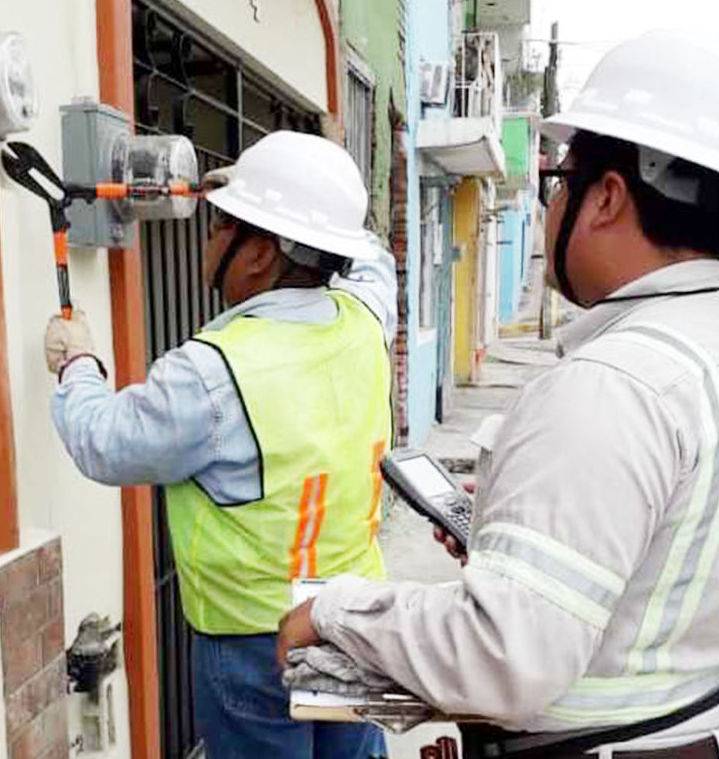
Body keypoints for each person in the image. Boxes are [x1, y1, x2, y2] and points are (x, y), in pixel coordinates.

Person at [277, 31, 719, 758]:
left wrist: (338, 610)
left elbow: (503, 657)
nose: (551, 206)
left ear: (605, 197)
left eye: (559, 180)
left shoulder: (610, 385)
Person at [45, 130, 396, 759]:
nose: (208, 238)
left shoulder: (213, 374)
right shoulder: (367, 320)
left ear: (259, 255)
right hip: (352, 623)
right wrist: (272, 185)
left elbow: (104, 441)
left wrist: (79, 363)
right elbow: (370, 255)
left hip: (253, 651)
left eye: (220, 226)